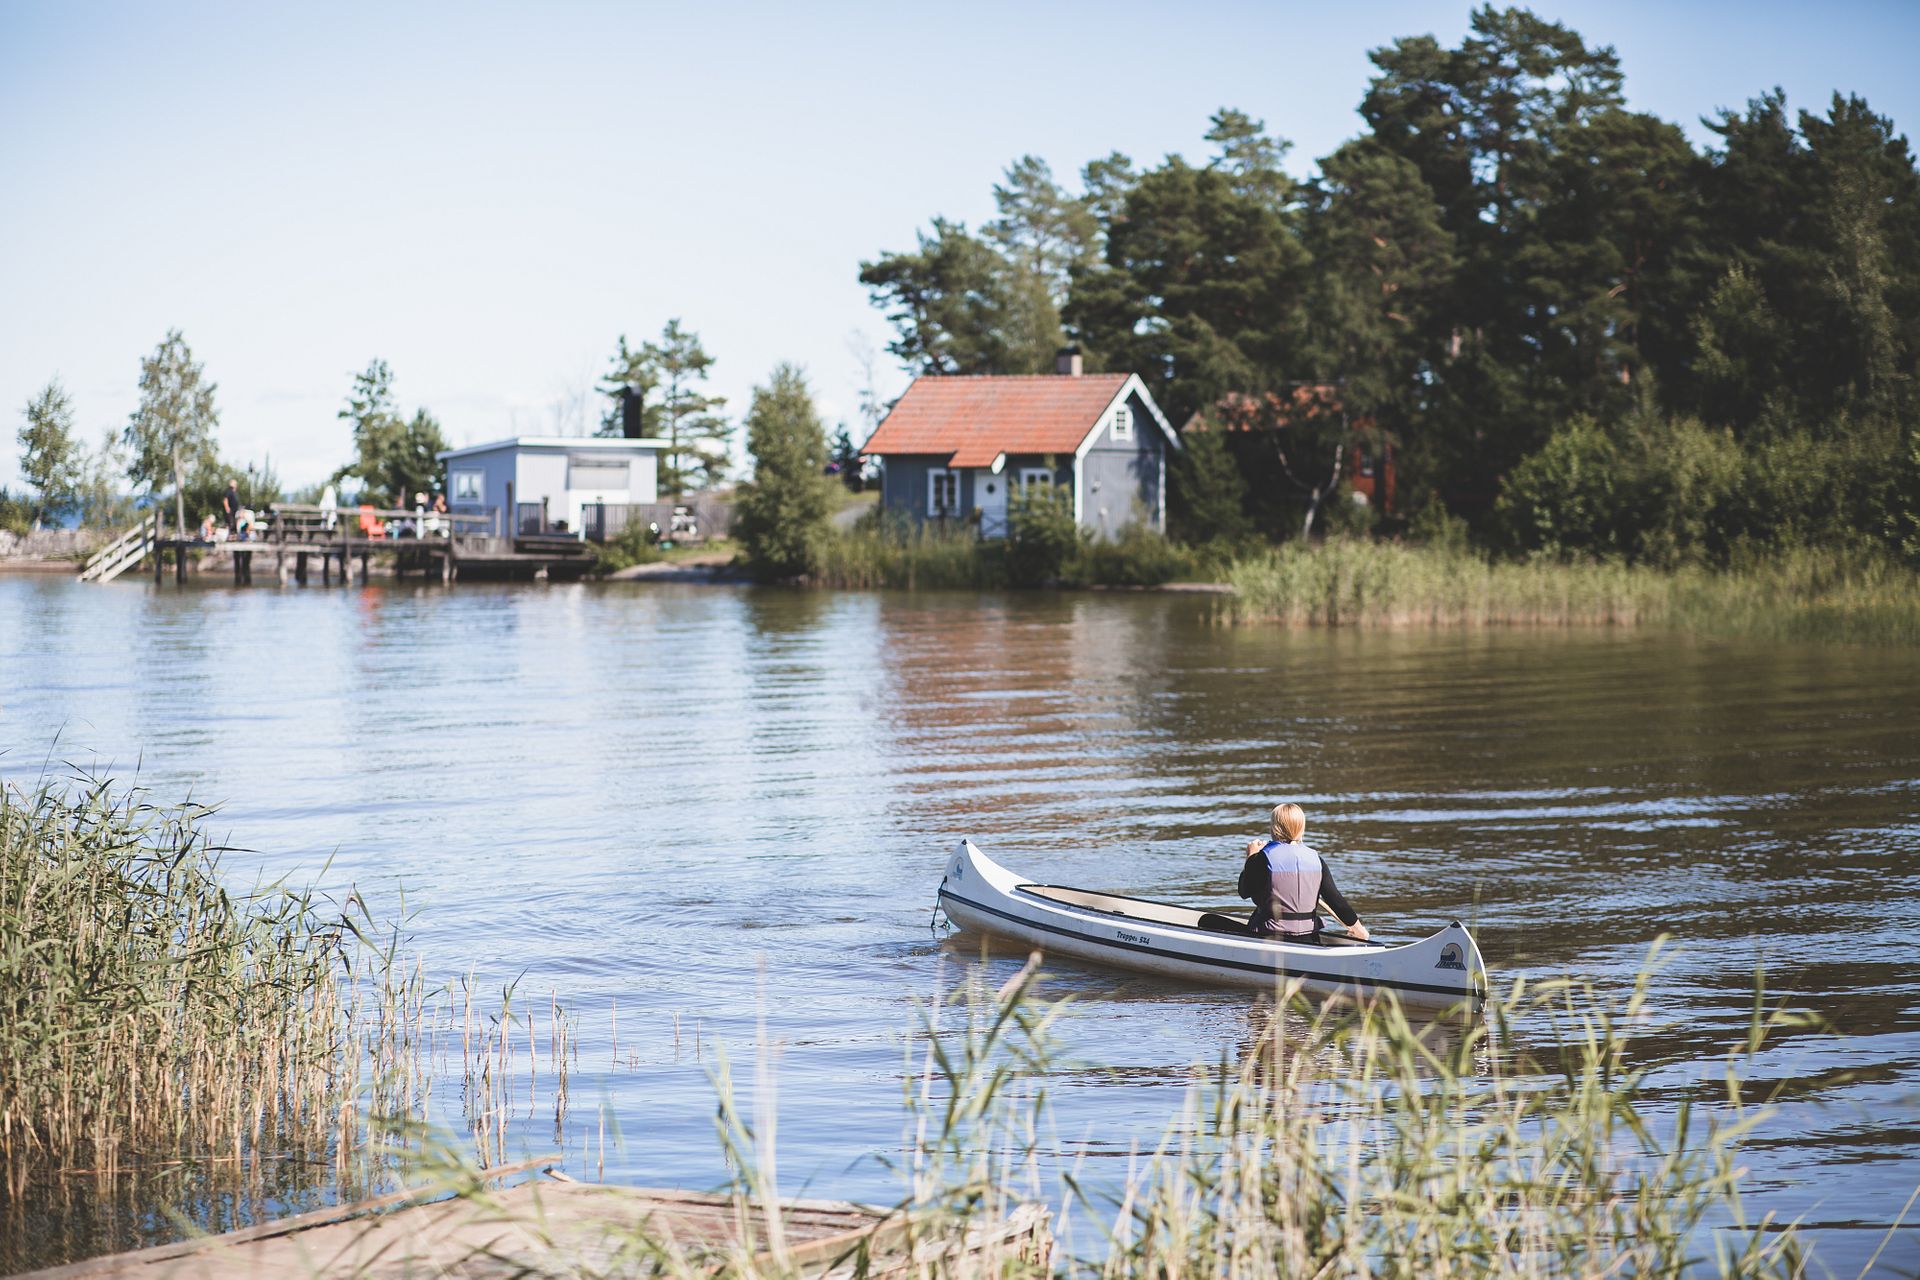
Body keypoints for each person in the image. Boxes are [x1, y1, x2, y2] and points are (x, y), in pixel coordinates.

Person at [1237, 803, 1369, 943]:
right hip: (1309, 937)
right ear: (1301, 828)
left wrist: (1251, 857)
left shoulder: (1262, 858)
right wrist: (1358, 929)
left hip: (1268, 934)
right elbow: (1336, 901)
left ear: (1274, 828)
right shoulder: (1316, 859)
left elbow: (1244, 891)